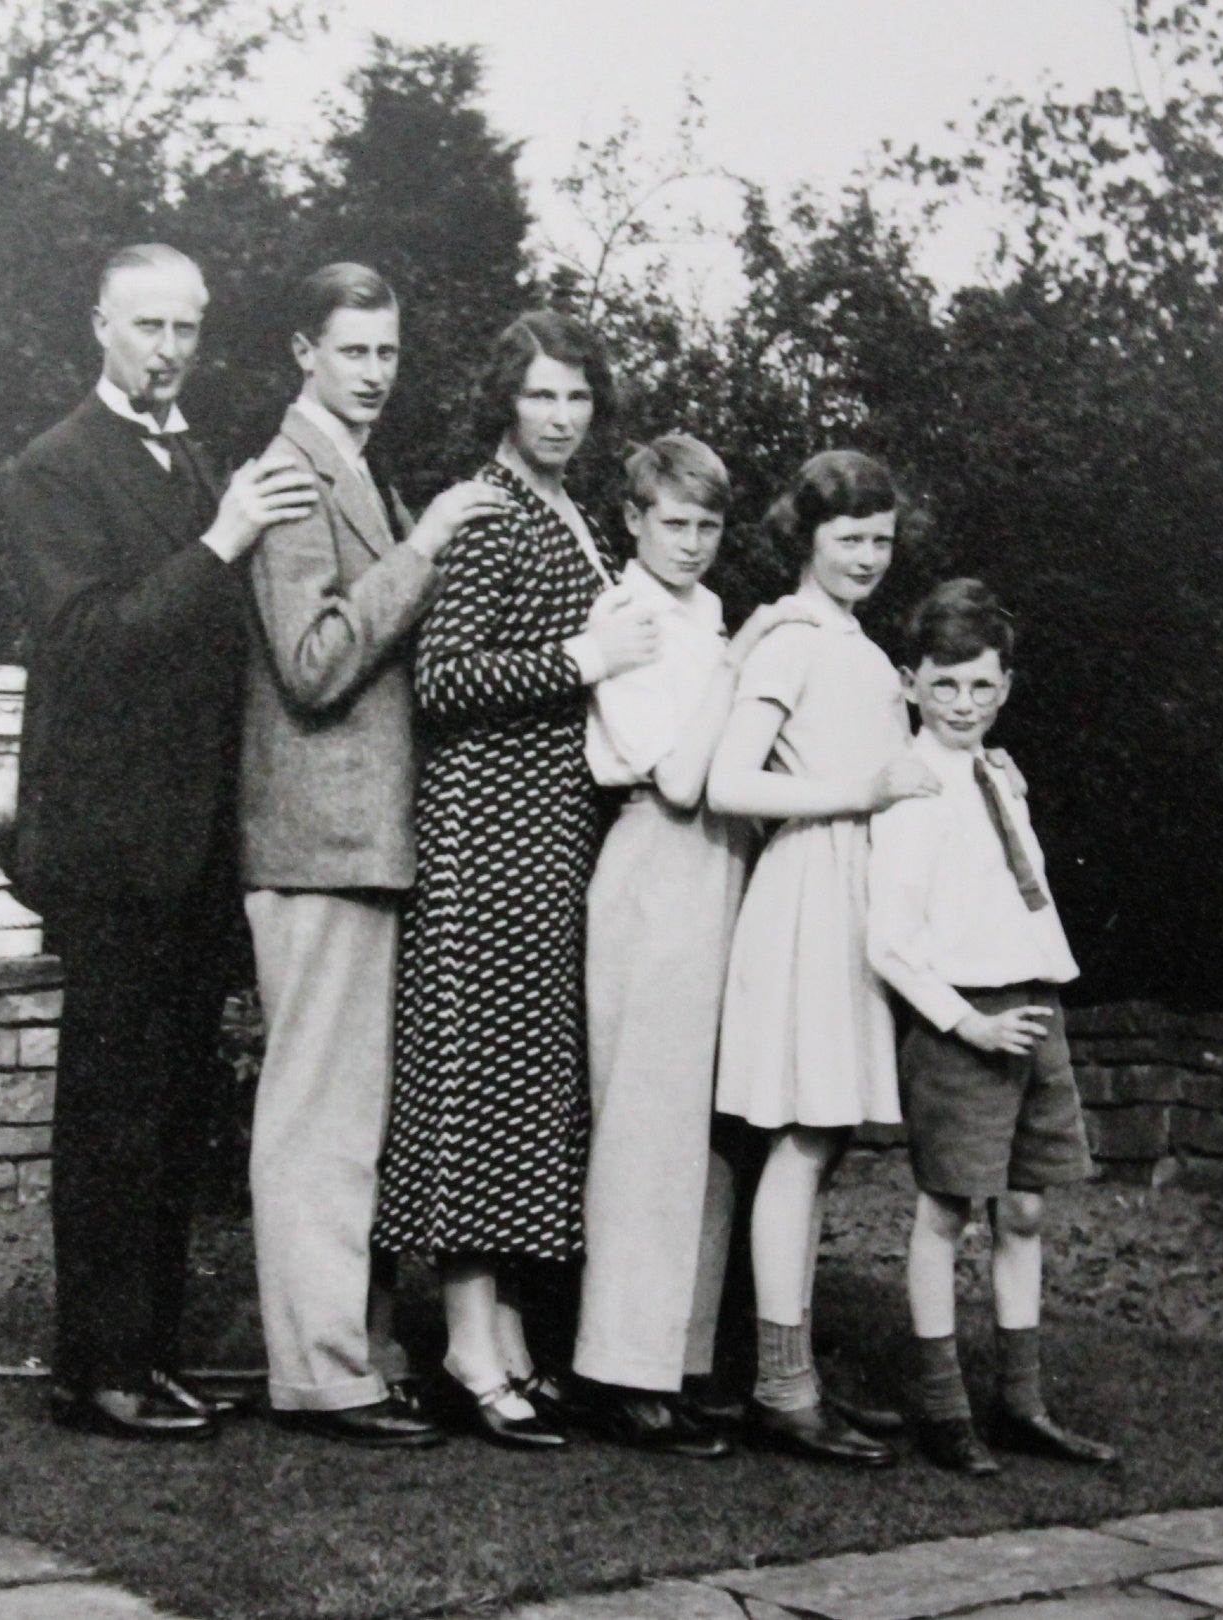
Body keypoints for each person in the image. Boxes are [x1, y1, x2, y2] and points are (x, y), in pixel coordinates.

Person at [8, 242, 318, 1441]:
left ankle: (148, 1352)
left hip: (194, 849)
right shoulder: (51, 470)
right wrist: (224, 541)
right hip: (109, 849)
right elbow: (87, 641)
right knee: (110, 1112)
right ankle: (97, 1372)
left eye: (187, 327)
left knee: (176, 1109)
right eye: (148, 326)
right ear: (99, 325)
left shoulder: (191, 460)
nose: (170, 348)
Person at [374, 310, 660, 1449]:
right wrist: (584, 660)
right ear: (508, 400)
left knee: (520, 1082)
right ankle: (464, 1343)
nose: (560, 416)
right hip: (482, 832)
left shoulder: (571, 513)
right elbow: (440, 680)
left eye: (578, 398)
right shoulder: (490, 512)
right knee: (474, 1085)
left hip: (550, 832)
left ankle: (496, 1340)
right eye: (542, 395)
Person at [239, 263, 507, 1448]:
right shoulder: (293, 477)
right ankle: (324, 1377)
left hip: (362, 840)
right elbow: (310, 662)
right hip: (317, 843)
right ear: (305, 350)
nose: (377, 373)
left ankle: (356, 1356)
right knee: (316, 1120)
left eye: (390, 352)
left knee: (350, 1121)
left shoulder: (355, 470)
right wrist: (429, 546)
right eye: (355, 352)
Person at [568, 435, 806, 1458]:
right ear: (633, 518)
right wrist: (741, 661)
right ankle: (621, 1370)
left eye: (710, 526)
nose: (695, 543)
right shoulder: (623, 615)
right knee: (644, 1127)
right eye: (676, 522)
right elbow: (674, 774)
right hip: (656, 855)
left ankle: (685, 1358)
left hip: (723, 864)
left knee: (709, 1128)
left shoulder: (706, 614)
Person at [705, 449, 936, 1468]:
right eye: (849, 538)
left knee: (824, 1142)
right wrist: (862, 794)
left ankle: (790, 1373)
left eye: (882, 540)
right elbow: (727, 783)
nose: (868, 557)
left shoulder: (861, 648)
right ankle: (781, 1388)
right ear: (805, 537)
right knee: (801, 1139)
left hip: (855, 899)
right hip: (804, 896)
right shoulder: (792, 639)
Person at [868, 579, 1120, 1474]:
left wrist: (1023, 1014)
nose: (964, 704)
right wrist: (967, 1026)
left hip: (1034, 1007)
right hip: (964, 1021)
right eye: (945, 686)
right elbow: (889, 947)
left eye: (981, 686)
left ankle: (1021, 1403)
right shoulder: (909, 790)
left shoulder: (998, 775)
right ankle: (943, 1411)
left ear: (1005, 685)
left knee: (1024, 1208)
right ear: (911, 684)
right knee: (946, 1211)